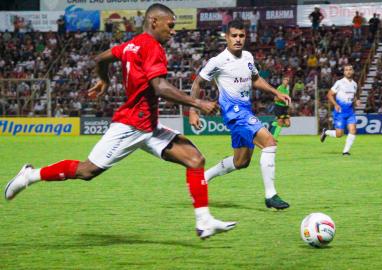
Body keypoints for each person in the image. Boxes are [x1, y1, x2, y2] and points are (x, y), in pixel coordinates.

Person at [4, 4, 236, 240]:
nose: (173, 31)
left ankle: (204, 221)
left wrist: (103, 80)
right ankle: (30, 176)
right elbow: (160, 87)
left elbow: (101, 58)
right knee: (87, 171)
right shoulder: (152, 47)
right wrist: (198, 103)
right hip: (131, 126)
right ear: (154, 21)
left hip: (148, 126)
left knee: (196, 160)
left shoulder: (132, 44)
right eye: (171, 25)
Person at [189, 20, 291, 210]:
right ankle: (271, 195)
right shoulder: (218, 61)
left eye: (241, 36)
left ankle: (203, 178)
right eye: (234, 36)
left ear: (246, 37)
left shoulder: (248, 57)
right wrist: (193, 110)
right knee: (269, 142)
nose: (238, 39)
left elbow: (256, 79)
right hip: (233, 112)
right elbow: (197, 83)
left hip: (245, 110)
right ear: (227, 37)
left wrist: (276, 92)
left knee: (241, 162)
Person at [320, 65, 361, 155]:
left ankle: (345, 151)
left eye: (350, 69)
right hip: (340, 112)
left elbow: (353, 97)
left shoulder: (355, 84)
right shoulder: (339, 83)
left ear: (353, 71)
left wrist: (356, 101)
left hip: (350, 112)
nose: (348, 71)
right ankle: (325, 132)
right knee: (339, 134)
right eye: (346, 70)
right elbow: (329, 94)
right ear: (344, 72)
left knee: (353, 130)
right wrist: (335, 104)